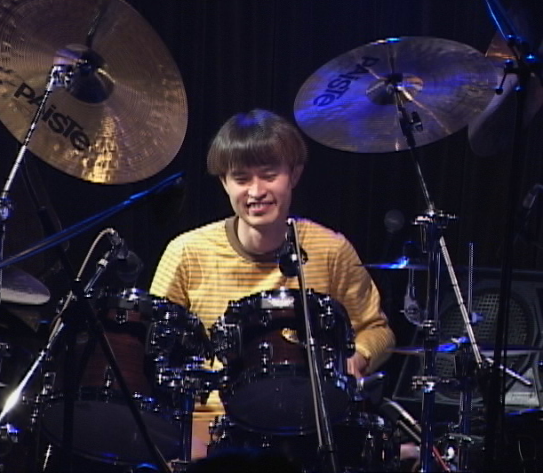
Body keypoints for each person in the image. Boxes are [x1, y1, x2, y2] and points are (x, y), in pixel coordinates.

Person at [150, 108, 395, 459]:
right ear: (224, 182)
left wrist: (360, 355)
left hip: (310, 426)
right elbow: (153, 349)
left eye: (269, 175)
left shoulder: (331, 249)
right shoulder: (186, 252)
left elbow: (377, 329)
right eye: (241, 178)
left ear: (294, 174)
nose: (256, 191)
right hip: (211, 429)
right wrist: (182, 438)